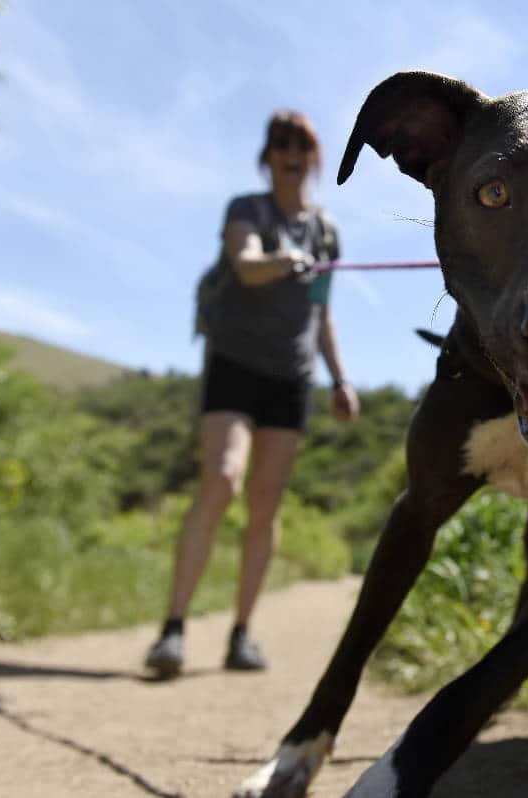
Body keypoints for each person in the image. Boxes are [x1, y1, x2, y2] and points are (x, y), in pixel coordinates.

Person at [144, 110, 360, 678]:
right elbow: (244, 266)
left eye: (302, 144)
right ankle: (173, 629)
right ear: (267, 158)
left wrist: (339, 379)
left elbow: (321, 312)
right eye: (280, 144)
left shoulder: (327, 231)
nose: (291, 152)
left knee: (265, 503)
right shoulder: (246, 209)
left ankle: (242, 634)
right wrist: (281, 260)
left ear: (313, 157)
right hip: (234, 366)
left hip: (292, 378)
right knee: (221, 479)